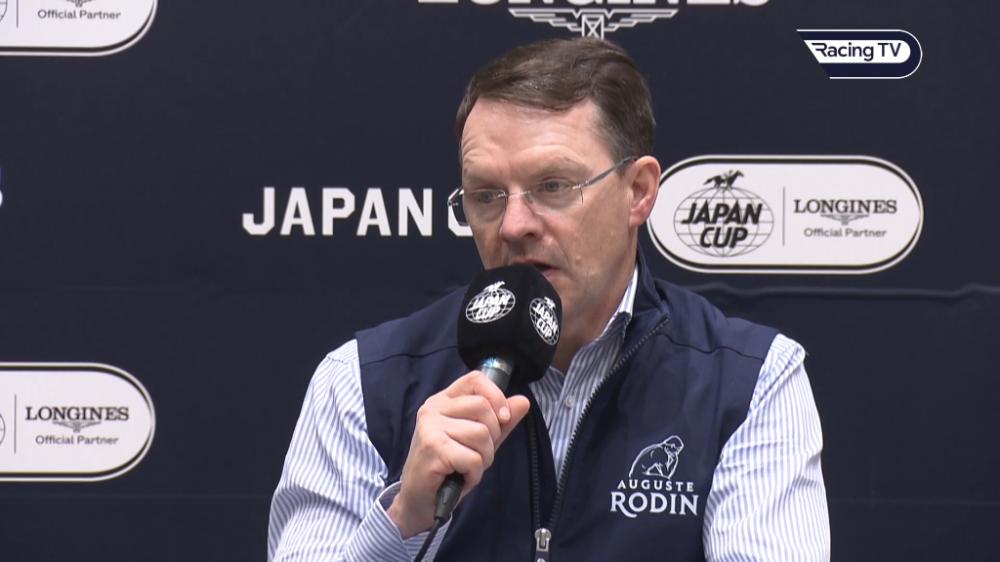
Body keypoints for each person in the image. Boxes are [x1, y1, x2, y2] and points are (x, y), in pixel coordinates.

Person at [268, 37, 830, 561]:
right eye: (486, 195)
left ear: (638, 191)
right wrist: (402, 521)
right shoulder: (362, 383)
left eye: (554, 187)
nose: (514, 225)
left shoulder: (750, 382)